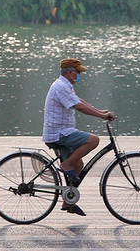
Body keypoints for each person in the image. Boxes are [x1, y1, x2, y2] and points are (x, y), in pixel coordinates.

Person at [42, 58, 115, 217]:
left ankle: (68, 202)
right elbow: (80, 107)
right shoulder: (61, 87)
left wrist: (101, 112)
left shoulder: (65, 85)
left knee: (78, 166)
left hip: (62, 131)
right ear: (69, 72)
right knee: (93, 140)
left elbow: (79, 101)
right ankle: (65, 165)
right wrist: (101, 117)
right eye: (78, 72)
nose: (79, 75)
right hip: (59, 133)